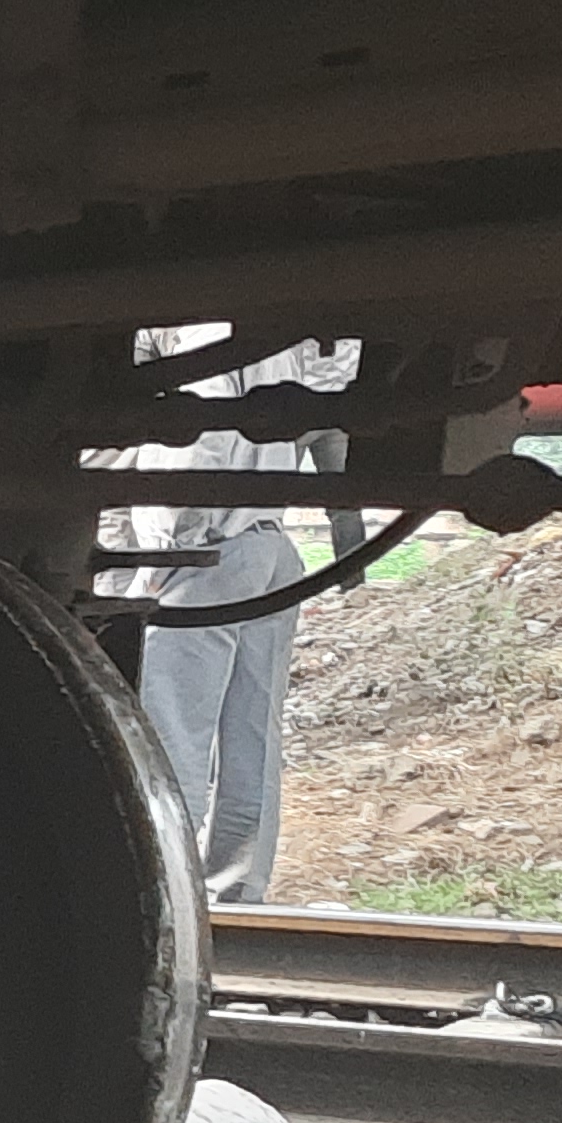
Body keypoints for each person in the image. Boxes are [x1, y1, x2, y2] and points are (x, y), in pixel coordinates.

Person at [95, 324, 364, 905]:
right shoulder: (271, 338)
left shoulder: (197, 335)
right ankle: (238, 887)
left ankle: (162, 888)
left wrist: (166, 549)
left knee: (175, 731)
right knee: (253, 734)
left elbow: (198, 442)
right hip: (269, 543)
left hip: (207, 547)